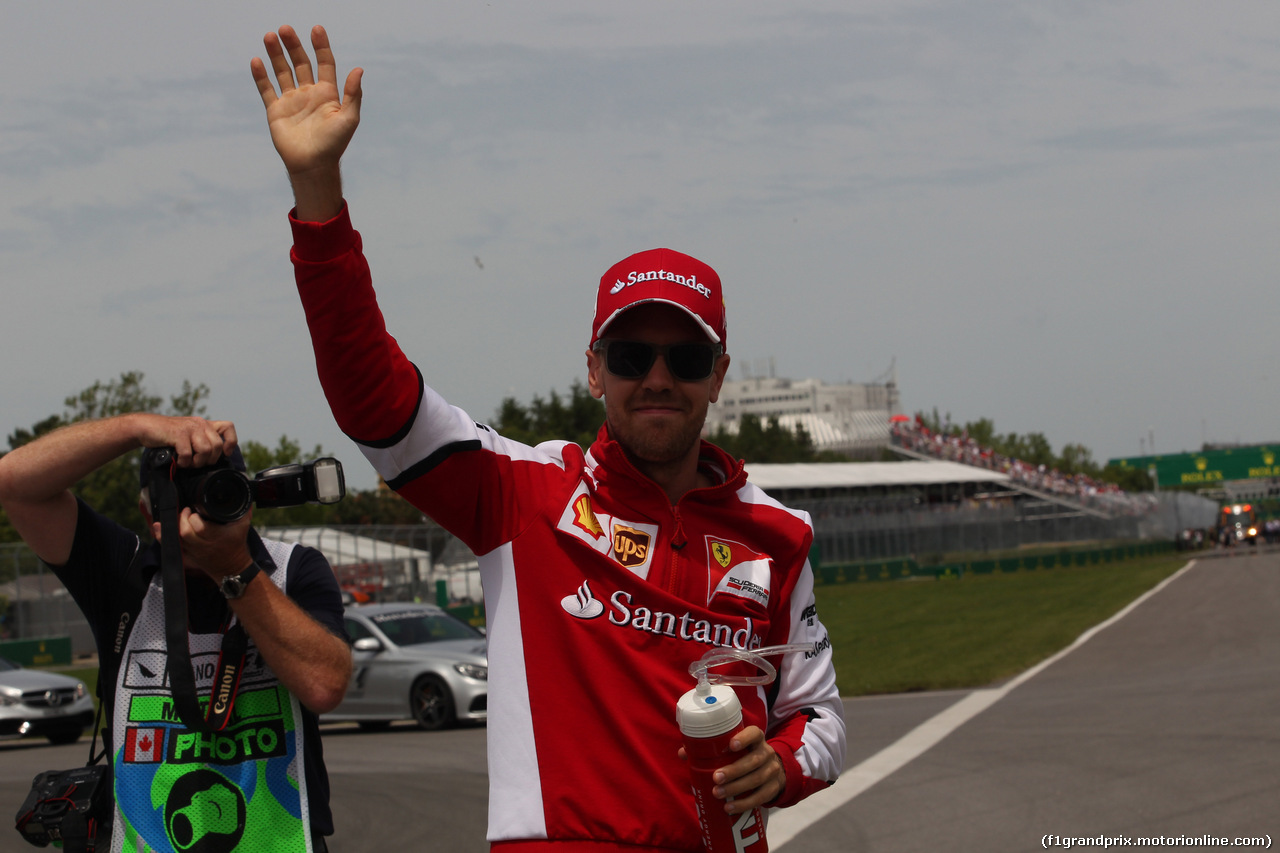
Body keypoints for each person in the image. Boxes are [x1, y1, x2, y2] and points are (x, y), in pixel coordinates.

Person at [251, 25, 846, 852]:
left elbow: (819, 715)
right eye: (633, 355)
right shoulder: (522, 492)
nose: (659, 378)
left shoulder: (779, 534)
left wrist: (782, 763)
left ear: (718, 373)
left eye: (686, 357)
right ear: (595, 371)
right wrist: (318, 192)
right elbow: (372, 397)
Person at [0, 413, 351, 852]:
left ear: (246, 499)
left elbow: (325, 685)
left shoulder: (291, 570)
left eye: (219, 491)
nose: (201, 508)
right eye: (180, 496)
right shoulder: (125, 575)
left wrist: (234, 569)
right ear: (149, 512)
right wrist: (135, 428)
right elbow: (15, 482)